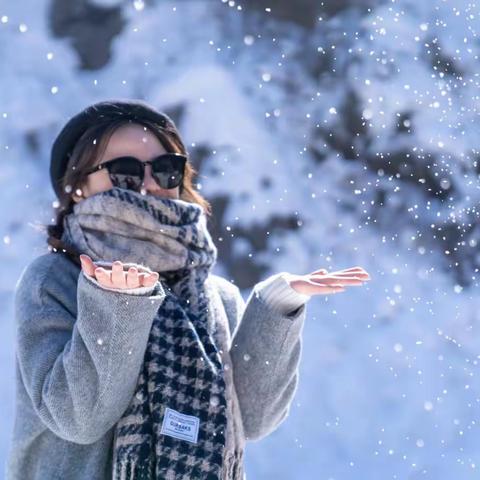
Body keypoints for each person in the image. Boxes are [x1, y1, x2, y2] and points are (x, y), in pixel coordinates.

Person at [5, 99, 370, 480]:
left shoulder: (215, 297)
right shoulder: (55, 280)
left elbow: (255, 419)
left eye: (165, 170)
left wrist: (276, 308)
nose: (149, 184)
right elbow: (78, 418)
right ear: (78, 186)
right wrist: (118, 306)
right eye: (125, 171)